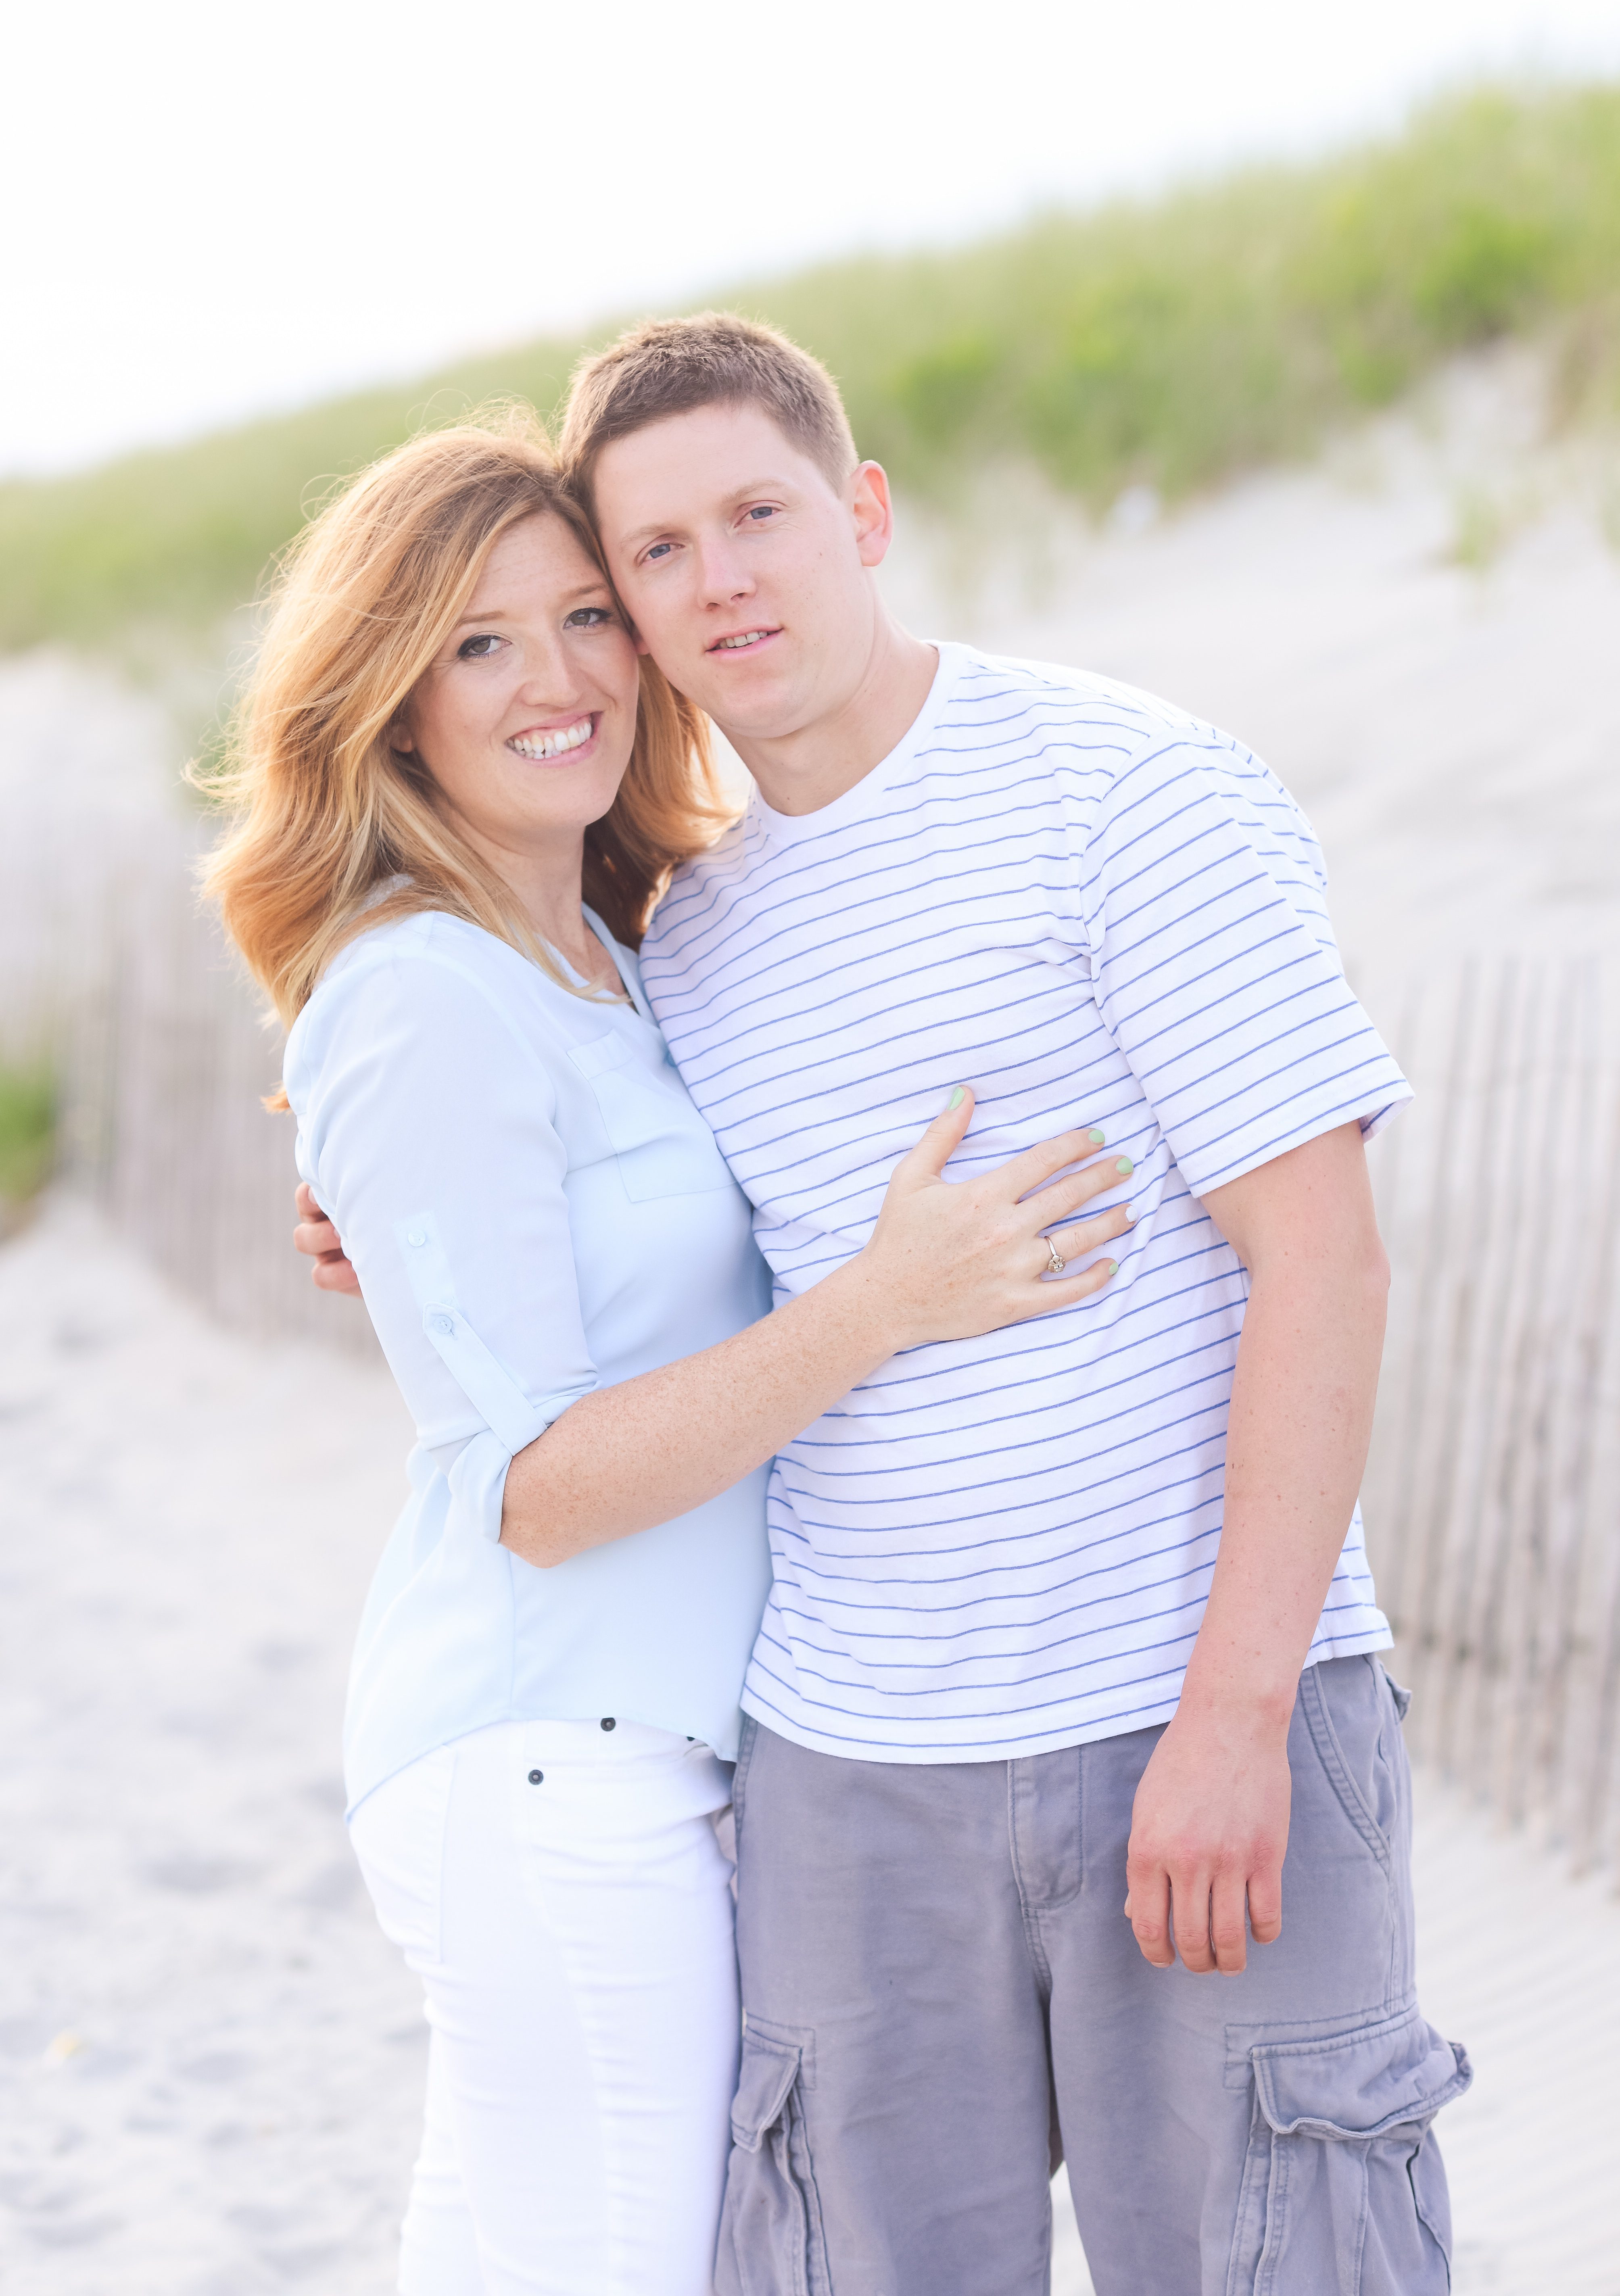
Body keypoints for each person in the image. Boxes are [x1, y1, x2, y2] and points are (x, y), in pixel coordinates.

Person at [298, 317, 1471, 2294]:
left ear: (861, 511)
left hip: (1166, 1716)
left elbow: (1325, 1257)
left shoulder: (1128, 793)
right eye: (651, 556)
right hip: (840, 1779)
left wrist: (1236, 1713)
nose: (713, 581)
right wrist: (362, 1200)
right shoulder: (687, 928)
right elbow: (570, 1208)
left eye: (755, 515)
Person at [205, 413, 1129, 2296]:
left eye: (580, 616)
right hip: (555, 1761)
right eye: (474, 643)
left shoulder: (598, 958)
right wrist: (882, 1300)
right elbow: (536, 1490)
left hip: (613, 1763)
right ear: (390, 703)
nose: (553, 681)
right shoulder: (420, 988)